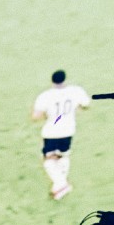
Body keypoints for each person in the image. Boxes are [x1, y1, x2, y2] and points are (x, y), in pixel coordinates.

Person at [31, 70, 88, 200]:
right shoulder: (75, 91)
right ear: (64, 79)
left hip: (51, 132)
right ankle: (58, 188)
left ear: (52, 81)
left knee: (49, 158)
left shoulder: (45, 96)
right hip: (68, 130)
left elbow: (35, 116)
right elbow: (86, 105)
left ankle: (62, 184)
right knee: (62, 156)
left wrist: (46, 115)